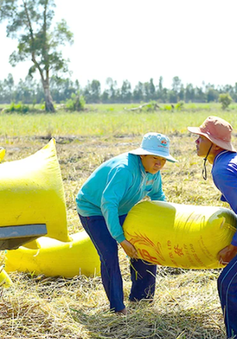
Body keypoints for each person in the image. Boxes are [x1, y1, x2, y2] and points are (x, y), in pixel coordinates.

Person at [76, 132, 177, 315]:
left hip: (122, 208)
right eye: (155, 158)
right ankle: (118, 308)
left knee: (144, 245)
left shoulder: (154, 173)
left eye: (163, 160)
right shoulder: (124, 170)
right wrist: (121, 239)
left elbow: (158, 198)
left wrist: (169, 223)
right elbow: (108, 203)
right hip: (94, 209)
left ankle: (142, 298)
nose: (159, 164)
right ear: (142, 155)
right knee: (109, 254)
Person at [188, 116, 237, 338]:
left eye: (201, 138)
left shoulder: (222, 170)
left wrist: (234, 246)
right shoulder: (230, 162)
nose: (196, 142)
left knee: (228, 286)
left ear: (215, 145)